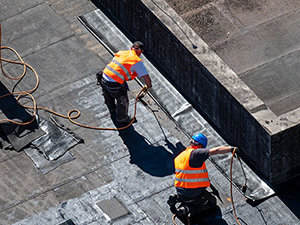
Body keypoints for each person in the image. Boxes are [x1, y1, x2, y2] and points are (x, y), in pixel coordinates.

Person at [168, 133, 238, 217]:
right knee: (212, 203)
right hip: (193, 192)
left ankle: (180, 198)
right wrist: (232, 149)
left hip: (180, 190)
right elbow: (216, 150)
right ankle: (188, 208)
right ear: (201, 146)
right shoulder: (196, 153)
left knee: (195, 198)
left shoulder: (179, 157)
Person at [99, 41, 152, 124]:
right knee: (123, 100)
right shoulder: (137, 61)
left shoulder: (122, 53)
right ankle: (122, 118)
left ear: (132, 48)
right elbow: (146, 77)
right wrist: (148, 86)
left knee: (107, 93)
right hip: (114, 83)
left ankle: (111, 108)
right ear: (141, 51)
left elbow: (117, 67)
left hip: (104, 76)